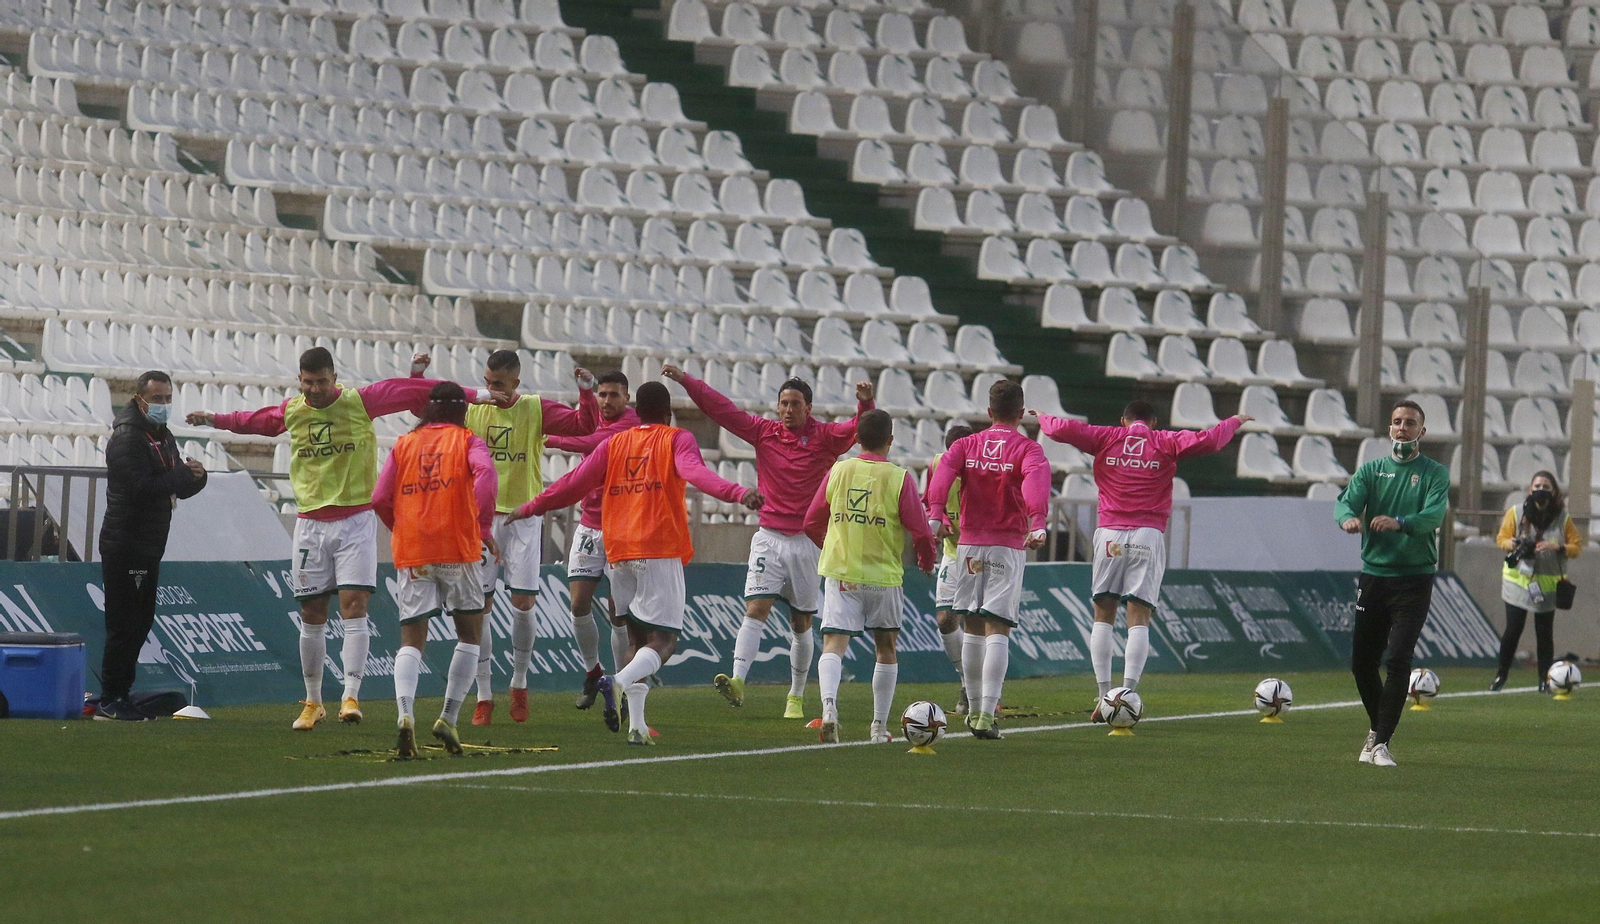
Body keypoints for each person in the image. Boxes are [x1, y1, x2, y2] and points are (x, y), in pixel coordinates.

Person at [187, 346, 478, 730]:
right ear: (300, 380)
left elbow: (409, 392)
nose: (315, 389)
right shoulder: (294, 410)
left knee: (354, 605)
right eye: (308, 382)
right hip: (310, 523)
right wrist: (215, 418)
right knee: (311, 612)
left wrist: (479, 396)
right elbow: (254, 421)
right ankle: (312, 701)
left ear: (334, 377)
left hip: (355, 518)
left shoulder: (361, 402)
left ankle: (350, 696)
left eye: (321, 381)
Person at [509, 382, 762, 745]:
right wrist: (737, 492)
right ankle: (619, 682)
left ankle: (637, 727)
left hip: (619, 551)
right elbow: (695, 473)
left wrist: (530, 507)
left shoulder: (614, 444)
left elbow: (573, 483)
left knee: (636, 637)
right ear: (667, 411)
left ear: (636, 410)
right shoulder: (676, 438)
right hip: (657, 548)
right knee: (665, 640)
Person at [660, 363, 874, 718]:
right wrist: (686, 381)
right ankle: (738, 679)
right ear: (777, 407)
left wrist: (865, 403)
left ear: (808, 408)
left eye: (795, 404)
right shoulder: (764, 432)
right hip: (769, 538)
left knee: (801, 623)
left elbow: (859, 430)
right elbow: (722, 410)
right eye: (783, 403)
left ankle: (795, 695)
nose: (788, 409)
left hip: (806, 543)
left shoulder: (824, 436)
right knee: (755, 609)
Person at [1034, 400, 1250, 718]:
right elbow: (1209, 439)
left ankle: (1102, 697)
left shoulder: (1105, 437)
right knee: (1139, 615)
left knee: (1103, 613)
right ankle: (1128, 694)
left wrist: (1042, 417)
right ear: (1154, 421)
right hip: (1147, 536)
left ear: (1124, 420)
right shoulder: (1165, 440)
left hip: (1109, 536)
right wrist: (1234, 420)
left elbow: (1064, 429)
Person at [464, 350, 598, 726]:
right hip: (481, 520)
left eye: (501, 385)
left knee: (523, 603)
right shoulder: (473, 407)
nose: (493, 391)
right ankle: (484, 695)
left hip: (523, 518)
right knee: (479, 609)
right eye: (489, 383)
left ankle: (519, 684)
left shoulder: (534, 409)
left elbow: (584, 425)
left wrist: (586, 392)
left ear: (517, 384)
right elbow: (426, 414)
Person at [372, 382, 499, 757]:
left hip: (413, 551)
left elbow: (380, 497)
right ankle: (448, 716)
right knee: (470, 635)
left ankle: (405, 715)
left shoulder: (404, 443)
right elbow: (487, 477)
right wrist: (483, 526)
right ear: (463, 411)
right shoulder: (468, 441)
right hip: (457, 549)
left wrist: (402, 528)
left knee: (411, 640)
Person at [925, 380, 1051, 740]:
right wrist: (1038, 522)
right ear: (1021, 412)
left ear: (990, 412)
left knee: (974, 627)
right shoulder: (1029, 449)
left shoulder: (966, 444)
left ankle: (973, 707)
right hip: (1007, 545)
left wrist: (936, 513)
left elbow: (943, 472)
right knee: (999, 627)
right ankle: (984, 715)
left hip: (968, 547)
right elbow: (1035, 482)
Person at [803, 410, 937, 743]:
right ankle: (878, 727)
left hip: (843, 573)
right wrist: (926, 560)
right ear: (890, 440)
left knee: (834, 644)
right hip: (883, 577)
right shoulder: (898, 478)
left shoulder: (839, 470)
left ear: (857, 439)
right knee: (886, 648)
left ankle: (830, 709)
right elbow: (920, 531)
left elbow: (810, 522)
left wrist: (833, 547)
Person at [1333, 399, 1450, 768]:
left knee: (1398, 659)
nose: (1402, 428)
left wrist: (1400, 521)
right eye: (1397, 422)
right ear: (1389, 429)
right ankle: (1376, 730)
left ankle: (1381, 742)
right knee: (1362, 664)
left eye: (1410, 423)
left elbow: (1433, 516)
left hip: (1414, 579)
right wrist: (1347, 519)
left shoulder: (1434, 473)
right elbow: (1344, 503)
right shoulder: (1371, 471)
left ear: (1422, 431)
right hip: (1375, 577)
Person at [95, 371, 208, 721]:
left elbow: (172, 484)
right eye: (157, 399)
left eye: (167, 399)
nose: (163, 405)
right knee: (124, 622)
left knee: (140, 622)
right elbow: (141, 488)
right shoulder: (128, 439)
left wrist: (196, 479)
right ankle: (111, 697)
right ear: (139, 398)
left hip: (147, 545)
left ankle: (120, 693)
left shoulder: (161, 436)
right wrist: (180, 477)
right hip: (126, 543)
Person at [545, 371, 640, 707]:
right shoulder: (591, 417)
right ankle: (592, 674)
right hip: (589, 524)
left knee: (619, 613)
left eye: (614, 395)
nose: (607, 401)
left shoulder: (631, 424)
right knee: (578, 604)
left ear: (627, 398)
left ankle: (620, 684)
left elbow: (591, 443)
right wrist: (583, 394)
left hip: (622, 527)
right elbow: (583, 426)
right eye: (602, 394)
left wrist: (552, 439)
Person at [1492, 470, 1581, 693]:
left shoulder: (1563, 517)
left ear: (1554, 491)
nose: (1541, 490)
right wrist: (1512, 544)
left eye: (1546, 487)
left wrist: (1557, 546)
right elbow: (1501, 539)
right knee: (1513, 629)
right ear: (1530, 490)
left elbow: (1576, 547)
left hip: (1547, 584)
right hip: (1517, 580)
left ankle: (1544, 679)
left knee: (1544, 633)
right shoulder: (1516, 512)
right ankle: (1501, 674)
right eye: (1537, 486)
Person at [924, 424, 973, 713]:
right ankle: (967, 681)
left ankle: (985, 687)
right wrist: (939, 517)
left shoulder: (985, 469)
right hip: (953, 552)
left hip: (983, 550)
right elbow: (930, 501)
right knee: (945, 619)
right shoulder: (936, 464)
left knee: (980, 622)